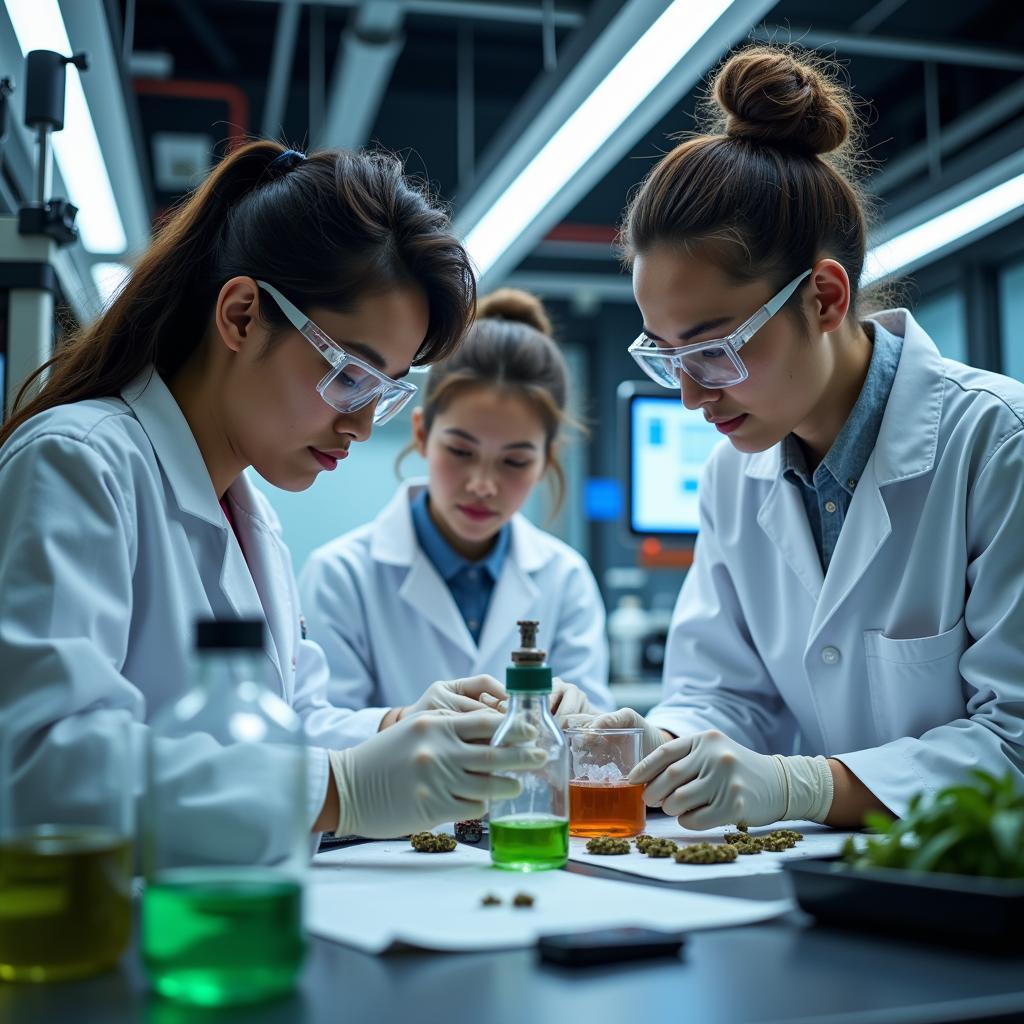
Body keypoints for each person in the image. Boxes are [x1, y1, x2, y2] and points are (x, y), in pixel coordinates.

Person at [0, 142, 546, 862]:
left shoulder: (245, 509)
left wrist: (397, 732)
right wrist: (339, 786)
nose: (358, 424)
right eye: (350, 375)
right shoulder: (78, 462)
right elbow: (46, 765)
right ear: (242, 314)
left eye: (383, 394)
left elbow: (283, 726)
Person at [591, 45, 1024, 831]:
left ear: (824, 299)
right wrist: (651, 746)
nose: (689, 395)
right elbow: (724, 693)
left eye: (712, 351)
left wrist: (804, 787)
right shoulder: (734, 474)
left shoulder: (998, 445)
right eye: (666, 356)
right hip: (823, 890)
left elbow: (1016, 746)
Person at [299, 288, 612, 732]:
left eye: (515, 461)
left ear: (547, 461)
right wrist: (403, 723)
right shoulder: (340, 575)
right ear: (422, 434)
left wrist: (580, 719)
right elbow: (314, 731)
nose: (483, 485)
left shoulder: (566, 578)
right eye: (461, 451)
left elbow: (597, 748)